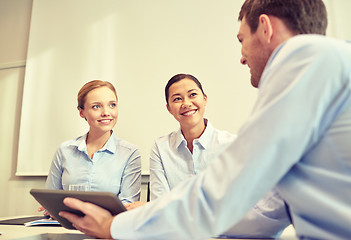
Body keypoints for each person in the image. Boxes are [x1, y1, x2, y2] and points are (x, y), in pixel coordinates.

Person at [59, 0, 351, 239]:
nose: (242, 56)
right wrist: (143, 218)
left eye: (241, 40)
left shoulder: (305, 59)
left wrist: (113, 228)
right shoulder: (327, 69)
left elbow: (221, 195)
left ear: (265, 27)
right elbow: (263, 213)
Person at [126, 73, 290, 238]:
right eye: (177, 99)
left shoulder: (232, 144)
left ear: (204, 99)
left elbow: (231, 208)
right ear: (169, 108)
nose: (186, 103)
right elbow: (159, 203)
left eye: (193, 95)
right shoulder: (161, 147)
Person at [44, 80, 141, 205]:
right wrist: (51, 208)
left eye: (112, 105)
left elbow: (128, 205)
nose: (106, 112)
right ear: (81, 112)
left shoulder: (130, 153)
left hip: (108, 224)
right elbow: (50, 199)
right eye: (96, 106)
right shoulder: (64, 150)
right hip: (66, 223)